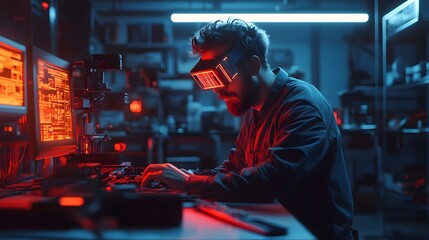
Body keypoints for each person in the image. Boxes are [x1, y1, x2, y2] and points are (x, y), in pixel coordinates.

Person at [141, 18, 354, 240]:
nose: (217, 91)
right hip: (277, 229)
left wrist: (189, 184)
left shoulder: (301, 107)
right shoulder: (256, 112)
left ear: (253, 65)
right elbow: (234, 170)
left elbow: (272, 182)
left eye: (222, 77)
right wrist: (186, 177)